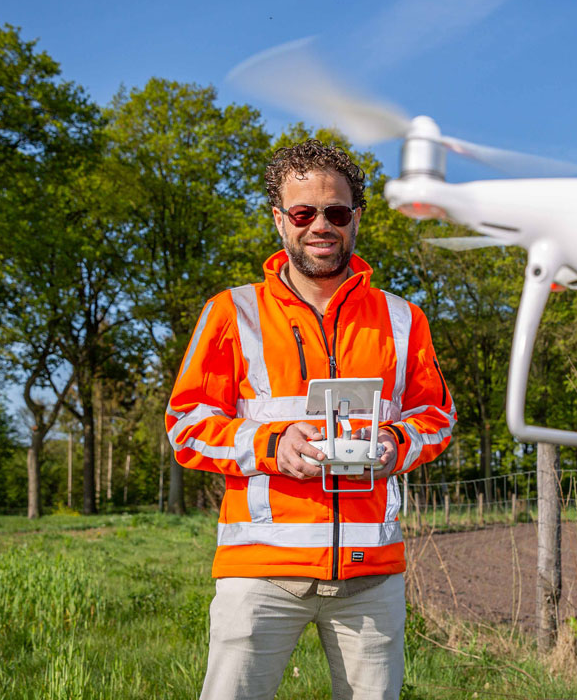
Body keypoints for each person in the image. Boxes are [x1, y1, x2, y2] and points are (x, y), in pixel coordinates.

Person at [165, 139, 456, 700]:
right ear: (280, 220)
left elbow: (437, 416)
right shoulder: (232, 312)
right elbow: (185, 425)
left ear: (356, 219)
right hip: (259, 574)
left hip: (371, 577)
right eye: (303, 213)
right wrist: (272, 445)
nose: (320, 225)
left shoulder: (403, 318)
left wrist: (397, 443)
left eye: (336, 212)